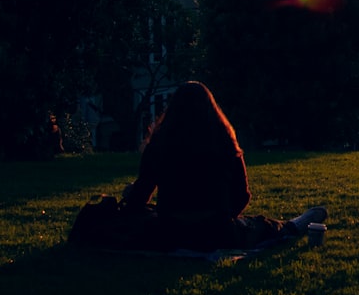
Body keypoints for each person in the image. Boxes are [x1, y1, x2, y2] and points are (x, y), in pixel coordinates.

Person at [121, 81, 326, 251]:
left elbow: (140, 196)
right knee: (262, 227)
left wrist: (131, 193)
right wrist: (221, 217)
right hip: (217, 233)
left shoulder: (159, 143)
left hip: (169, 232)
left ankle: (299, 222)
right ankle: (299, 223)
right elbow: (242, 195)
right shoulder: (224, 141)